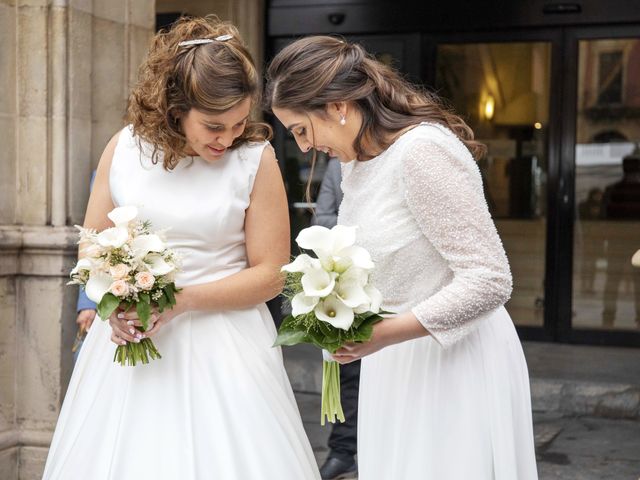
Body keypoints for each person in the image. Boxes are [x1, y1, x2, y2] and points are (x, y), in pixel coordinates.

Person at [43, 17, 320, 480]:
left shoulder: (255, 158)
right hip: (128, 350)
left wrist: (180, 302)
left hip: (227, 346)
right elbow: (91, 247)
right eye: (214, 125)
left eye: (238, 122)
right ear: (175, 108)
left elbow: (273, 271)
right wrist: (115, 304)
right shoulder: (123, 148)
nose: (227, 138)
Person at [266, 36, 538, 479]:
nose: (302, 147)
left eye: (300, 129)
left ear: (337, 105)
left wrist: (387, 333)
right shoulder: (357, 163)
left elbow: (490, 278)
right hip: (394, 363)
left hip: (452, 362)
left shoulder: (422, 152)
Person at [313, 158, 359, 480]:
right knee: (346, 369)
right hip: (345, 280)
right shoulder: (336, 165)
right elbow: (322, 215)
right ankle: (343, 451)